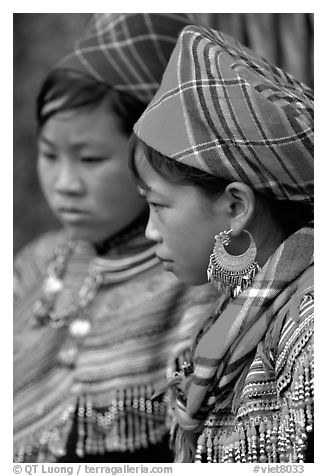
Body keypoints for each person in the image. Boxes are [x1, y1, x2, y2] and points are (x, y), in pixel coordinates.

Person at [13, 14, 217, 463]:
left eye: (89, 158)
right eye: (49, 154)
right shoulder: (34, 265)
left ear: (153, 159)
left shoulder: (196, 282)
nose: (64, 183)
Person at [129, 24, 314, 463]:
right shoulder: (236, 313)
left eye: (158, 205)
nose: (151, 231)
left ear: (235, 207)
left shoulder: (308, 332)